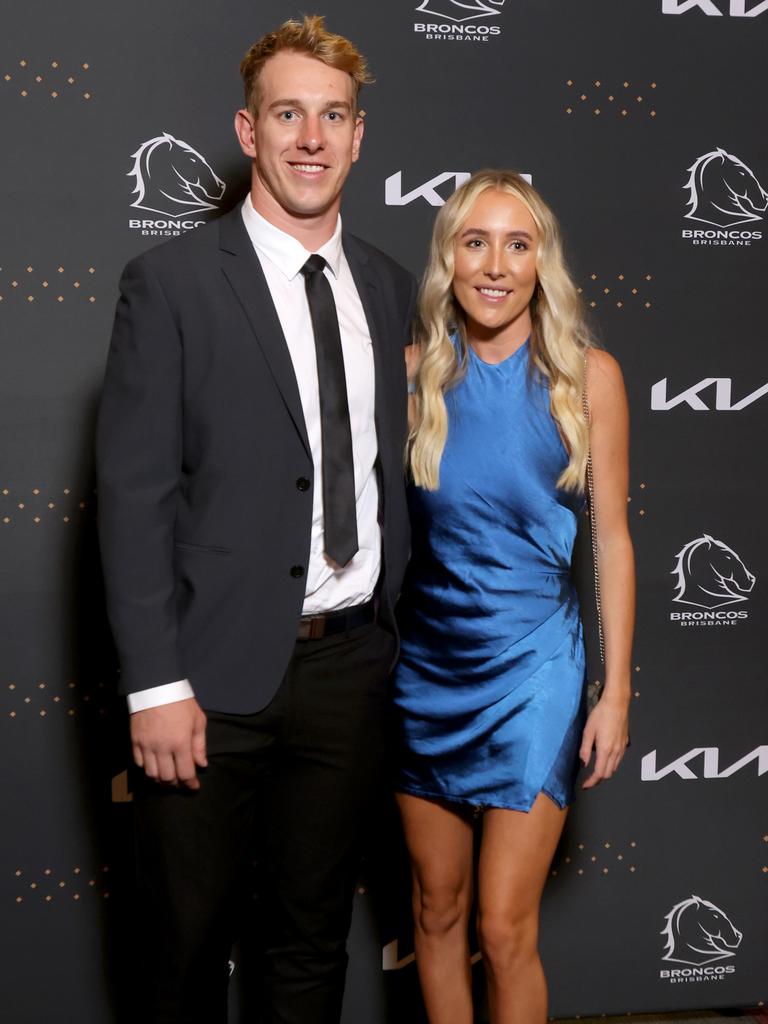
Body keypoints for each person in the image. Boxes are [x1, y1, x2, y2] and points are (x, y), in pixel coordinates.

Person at [96, 16, 416, 1024]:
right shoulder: (173, 284)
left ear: (360, 137)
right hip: (206, 680)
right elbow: (135, 493)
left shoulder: (392, 288)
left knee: (309, 942)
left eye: (333, 116)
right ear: (249, 129)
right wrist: (154, 685)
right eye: (289, 114)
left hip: (350, 671)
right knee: (183, 948)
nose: (311, 138)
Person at [393, 170, 634, 1024]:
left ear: (543, 262)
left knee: (501, 926)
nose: (495, 265)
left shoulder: (587, 377)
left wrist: (615, 690)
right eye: (475, 242)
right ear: (448, 259)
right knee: (436, 911)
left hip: (536, 669)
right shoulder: (414, 374)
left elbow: (610, 542)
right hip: (424, 668)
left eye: (518, 244)